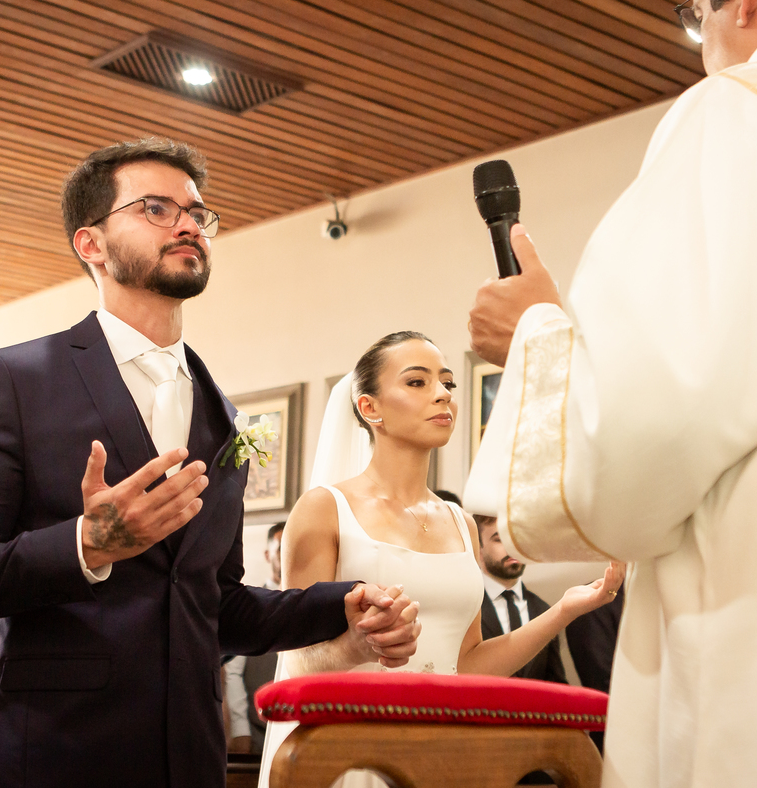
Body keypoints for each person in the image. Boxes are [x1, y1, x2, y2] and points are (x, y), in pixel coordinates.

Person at [465, 0, 757, 787]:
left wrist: (534, 338)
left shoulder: (752, 109)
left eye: (695, 12)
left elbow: (646, 431)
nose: (702, 36)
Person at [0, 138, 420, 788]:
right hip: (54, 753)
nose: (187, 225)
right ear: (91, 244)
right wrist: (86, 544)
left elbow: (214, 604)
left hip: (189, 756)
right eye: (156, 209)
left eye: (197, 213)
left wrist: (338, 607)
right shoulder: (12, 380)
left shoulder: (223, 417)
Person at [259, 332, 623, 787]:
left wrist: (564, 610)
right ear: (369, 407)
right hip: (353, 749)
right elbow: (296, 662)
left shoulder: (460, 521)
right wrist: (356, 646)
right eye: (417, 382)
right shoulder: (324, 509)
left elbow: (466, 665)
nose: (443, 394)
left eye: (447, 382)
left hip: (445, 752)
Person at [473, 514, 566, 684]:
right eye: (499, 539)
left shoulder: (544, 610)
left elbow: (556, 683)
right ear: (478, 548)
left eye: (517, 540)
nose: (512, 549)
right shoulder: (468, 607)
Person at [224, 522, 284, 754]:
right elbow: (232, 673)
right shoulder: (250, 607)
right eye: (282, 548)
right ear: (268, 554)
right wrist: (241, 732)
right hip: (258, 734)